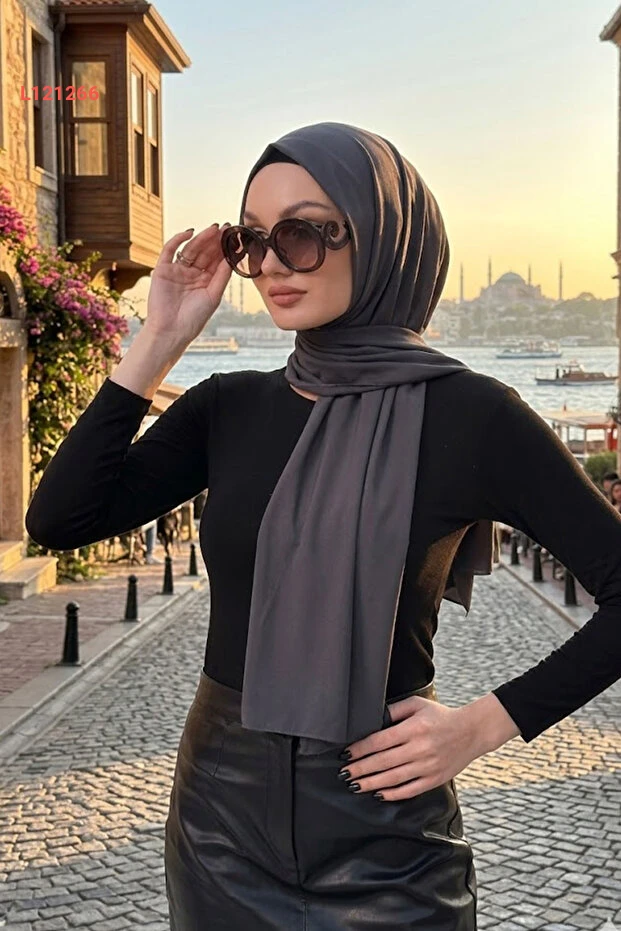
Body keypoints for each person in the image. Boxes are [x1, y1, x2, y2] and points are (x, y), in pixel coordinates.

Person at [24, 122, 621, 931]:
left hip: (389, 833)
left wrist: (480, 726)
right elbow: (61, 519)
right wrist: (159, 335)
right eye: (251, 240)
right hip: (220, 821)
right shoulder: (227, 408)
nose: (271, 263)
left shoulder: (471, 415)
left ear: (381, 236)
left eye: (301, 234)